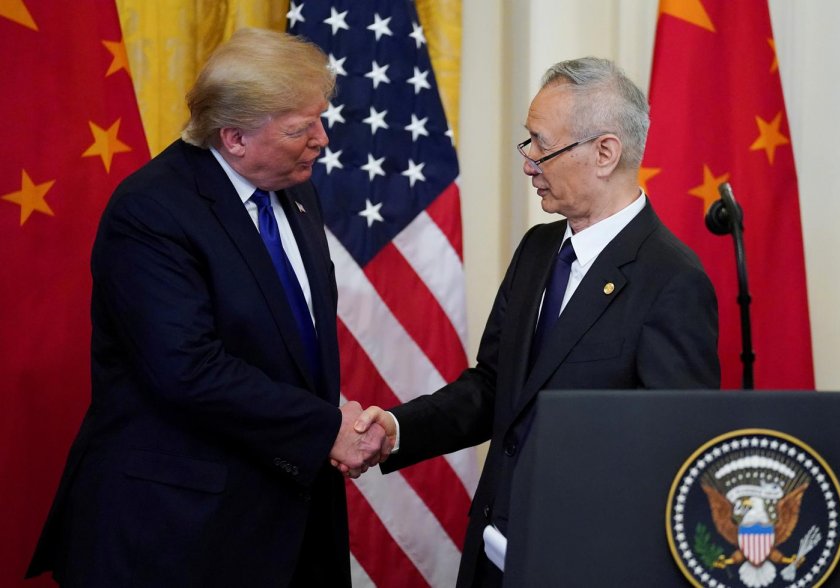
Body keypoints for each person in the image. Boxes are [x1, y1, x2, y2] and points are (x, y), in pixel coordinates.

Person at [26, 28, 391, 587]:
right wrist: (326, 428)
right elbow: (187, 369)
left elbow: (288, 342)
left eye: (321, 118)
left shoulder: (296, 190)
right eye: (301, 128)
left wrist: (334, 417)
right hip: (177, 531)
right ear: (235, 138)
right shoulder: (152, 211)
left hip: (288, 517)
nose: (323, 139)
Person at [354, 57, 720, 587]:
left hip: (586, 565)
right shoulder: (538, 248)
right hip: (493, 559)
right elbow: (495, 386)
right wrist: (396, 428)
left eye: (540, 145)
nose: (528, 163)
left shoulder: (671, 279)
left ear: (604, 153)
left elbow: (674, 453)